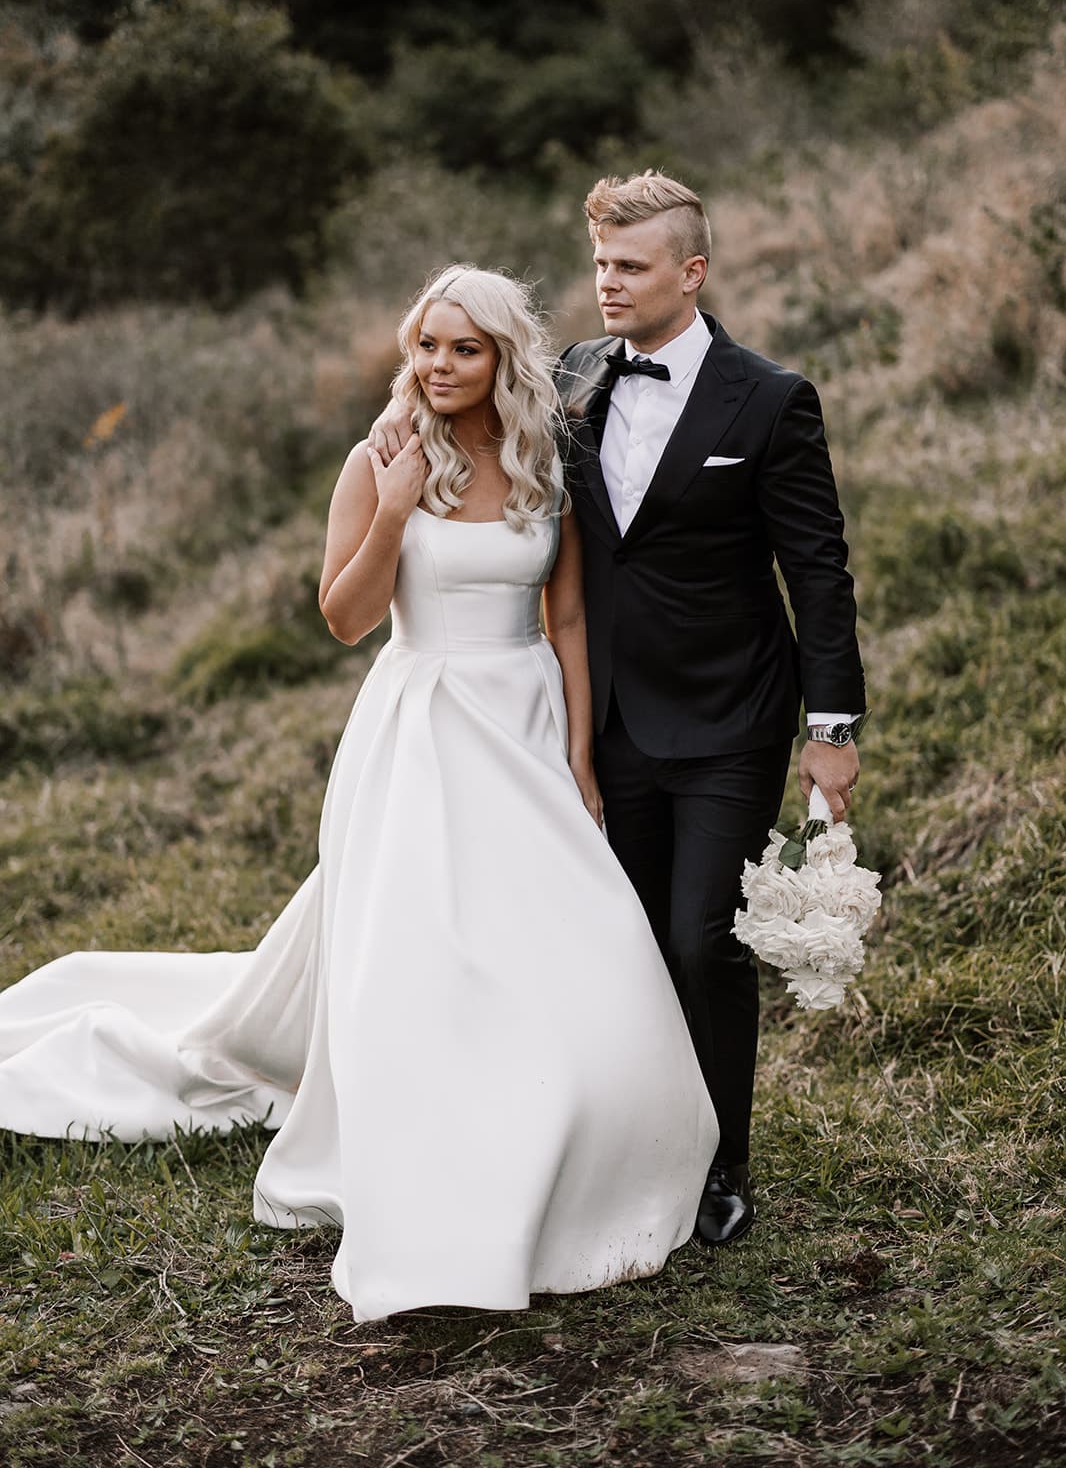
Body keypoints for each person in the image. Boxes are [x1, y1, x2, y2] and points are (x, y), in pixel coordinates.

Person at [0, 266, 717, 1323]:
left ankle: (592, 1122)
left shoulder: (542, 459)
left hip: (520, 715)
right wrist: (387, 512)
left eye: (461, 349)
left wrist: (575, 753)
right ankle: (433, 1123)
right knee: (423, 937)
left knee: (566, 927)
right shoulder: (377, 456)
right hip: (420, 720)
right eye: (424, 344)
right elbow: (343, 616)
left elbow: (564, 622)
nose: (436, 365)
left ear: (501, 361)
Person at [371, 174, 867, 1249]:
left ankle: (722, 1160)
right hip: (599, 722)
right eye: (598, 263)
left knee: (699, 942)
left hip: (732, 715)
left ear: (689, 274)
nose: (605, 284)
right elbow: (472, 418)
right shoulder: (570, 382)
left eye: (629, 267)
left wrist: (831, 731)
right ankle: (629, 1148)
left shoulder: (768, 399)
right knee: (623, 945)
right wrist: (389, 454)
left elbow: (816, 573)